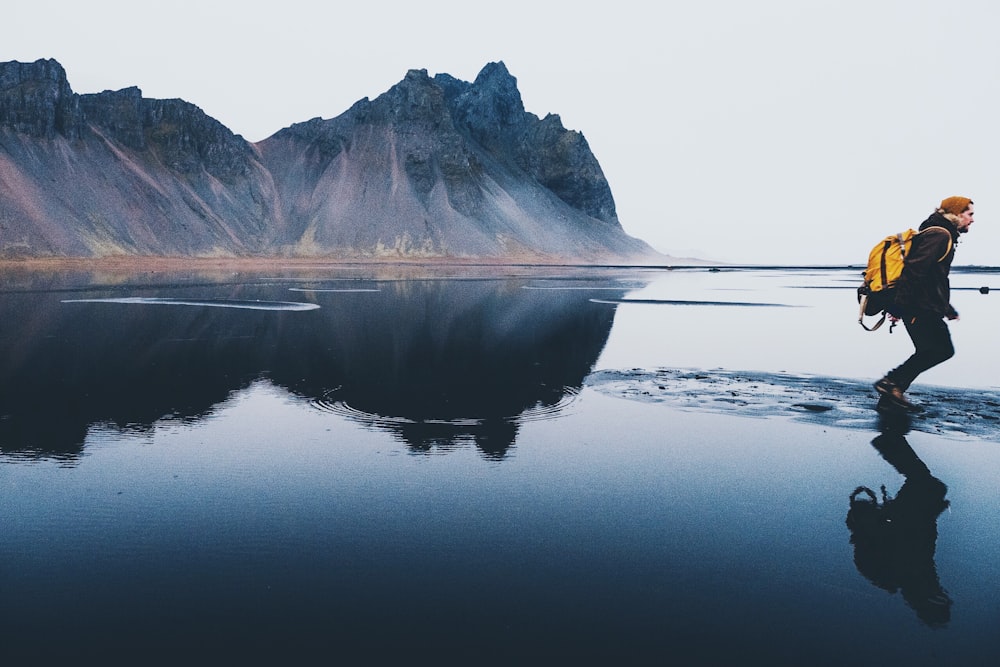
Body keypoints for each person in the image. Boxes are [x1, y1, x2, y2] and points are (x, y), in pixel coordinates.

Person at [874, 196, 975, 409]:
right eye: (970, 214)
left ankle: (890, 396)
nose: (972, 220)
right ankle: (891, 383)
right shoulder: (940, 235)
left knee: (927, 350)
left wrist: (946, 308)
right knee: (941, 350)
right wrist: (898, 306)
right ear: (956, 214)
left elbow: (933, 277)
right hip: (919, 307)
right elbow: (914, 271)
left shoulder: (939, 233)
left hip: (922, 305)